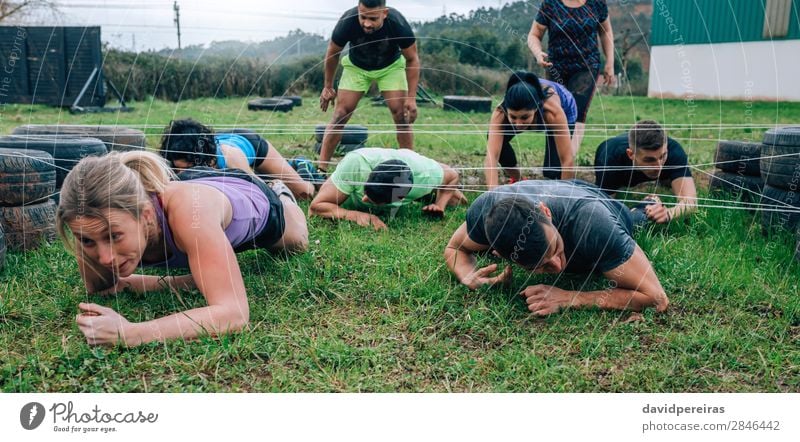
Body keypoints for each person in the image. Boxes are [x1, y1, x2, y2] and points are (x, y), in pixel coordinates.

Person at [56, 151, 309, 347]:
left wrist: (132, 333)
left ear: (145, 215)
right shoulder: (97, 220)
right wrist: (87, 236)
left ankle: (283, 194)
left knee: (297, 244)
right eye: (87, 240)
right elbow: (102, 289)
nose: (105, 257)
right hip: (187, 184)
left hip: (253, 198)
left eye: (114, 236)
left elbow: (233, 315)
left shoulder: (189, 215)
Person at [444, 180, 669, 316]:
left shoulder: (594, 225)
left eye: (555, 248)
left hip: (601, 205)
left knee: (637, 219)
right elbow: (455, 248)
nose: (559, 265)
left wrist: (570, 297)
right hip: (561, 186)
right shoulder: (486, 212)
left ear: (547, 213)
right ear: (498, 252)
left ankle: (648, 204)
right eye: (540, 266)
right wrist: (467, 274)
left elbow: (657, 298)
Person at [318, 0, 420, 172]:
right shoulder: (348, 21)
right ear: (358, 9)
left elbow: (412, 59)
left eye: (373, 18)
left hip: (390, 67)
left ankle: (410, 170)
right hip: (357, 67)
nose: (367, 23)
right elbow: (332, 53)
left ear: (384, 13)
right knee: (340, 114)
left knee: (401, 115)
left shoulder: (397, 23)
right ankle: (321, 170)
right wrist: (328, 86)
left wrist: (411, 98)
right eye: (363, 16)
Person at [528, 0, 615, 155]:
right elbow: (534, 34)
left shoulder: (597, 3)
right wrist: (537, 53)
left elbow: (605, 32)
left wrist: (610, 62)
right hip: (555, 66)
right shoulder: (550, 4)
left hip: (587, 66)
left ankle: (568, 163)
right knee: (555, 111)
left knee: (577, 110)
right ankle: (552, 165)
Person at [309, 148, 466, 230]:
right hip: (363, 161)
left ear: (402, 199)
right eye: (366, 193)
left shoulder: (424, 175)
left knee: (458, 201)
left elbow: (453, 176)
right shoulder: (355, 165)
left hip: (413, 164)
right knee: (312, 191)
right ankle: (306, 169)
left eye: (372, 201)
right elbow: (315, 207)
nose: (364, 200)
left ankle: (434, 195)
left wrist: (440, 205)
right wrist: (354, 215)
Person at [160, 119, 315, 200]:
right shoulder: (173, 162)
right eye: (177, 168)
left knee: (304, 193)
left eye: (187, 169)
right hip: (219, 140)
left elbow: (263, 193)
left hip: (251, 144)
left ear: (207, 161)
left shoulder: (231, 158)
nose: (181, 174)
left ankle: (299, 164)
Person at [594, 120, 698, 224]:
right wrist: (636, 212)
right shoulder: (610, 157)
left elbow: (691, 202)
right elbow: (603, 210)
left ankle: (667, 179)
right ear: (631, 154)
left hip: (663, 170)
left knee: (671, 176)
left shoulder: (674, 151)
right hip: (615, 161)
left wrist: (668, 213)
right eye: (649, 160)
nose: (659, 167)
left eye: (663, 156)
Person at [485, 71, 578, 187]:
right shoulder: (500, 113)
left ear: (535, 109)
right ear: (507, 110)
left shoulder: (553, 112)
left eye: (524, 117)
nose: (518, 124)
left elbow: (567, 160)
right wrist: (493, 195)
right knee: (495, 140)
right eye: (513, 117)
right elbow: (492, 157)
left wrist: (565, 198)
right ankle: (518, 180)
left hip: (566, 108)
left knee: (553, 171)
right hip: (530, 108)